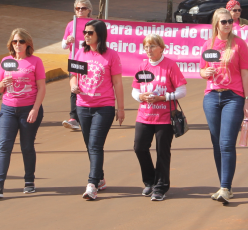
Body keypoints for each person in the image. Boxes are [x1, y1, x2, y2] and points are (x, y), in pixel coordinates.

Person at [0, 29, 46, 198]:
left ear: (28, 44)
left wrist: (35, 109)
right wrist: (2, 83)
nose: (17, 45)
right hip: (8, 109)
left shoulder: (35, 62)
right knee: (4, 146)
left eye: (21, 42)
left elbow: (41, 88)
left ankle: (29, 181)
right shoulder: (6, 61)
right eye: (14, 42)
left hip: (28, 109)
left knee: (26, 146)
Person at [201, 8, 248, 204]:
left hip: (234, 97)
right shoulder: (209, 45)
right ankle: (223, 184)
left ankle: (226, 187)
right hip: (212, 96)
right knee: (216, 143)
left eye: (230, 21)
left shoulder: (239, 44)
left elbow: (246, 73)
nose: (227, 24)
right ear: (216, 23)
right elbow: (203, 70)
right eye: (223, 22)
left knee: (226, 143)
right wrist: (204, 74)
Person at [71, 20, 125, 200]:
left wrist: (121, 108)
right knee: (90, 145)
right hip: (83, 106)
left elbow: (117, 82)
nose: (86, 35)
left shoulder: (111, 56)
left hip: (104, 107)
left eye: (90, 33)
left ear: (99, 35)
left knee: (95, 145)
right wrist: (73, 86)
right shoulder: (81, 52)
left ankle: (92, 184)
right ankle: (100, 178)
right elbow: (73, 76)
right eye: (85, 32)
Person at [132, 34, 187, 201]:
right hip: (145, 115)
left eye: (152, 46)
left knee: (163, 152)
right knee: (139, 147)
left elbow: (182, 91)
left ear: (162, 48)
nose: (149, 50)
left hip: (164, 116)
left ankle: (161, 187)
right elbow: (135, 90)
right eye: (146, 47)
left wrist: (163, 98)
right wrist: (141, 97)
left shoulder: (170, 65)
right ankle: (150, 181)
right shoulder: (142, 66)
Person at [62, 0, 93, 132]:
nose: (80, 11)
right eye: (77, 8)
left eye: (83, 8)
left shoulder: (93, 24)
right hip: (75, 61)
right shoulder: (71, 25)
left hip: (90, 62)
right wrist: (68, 41)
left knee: (90, 87)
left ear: (89, 10)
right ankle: (73, 118)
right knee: (74, 88)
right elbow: (63, 45)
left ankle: (89, 114)